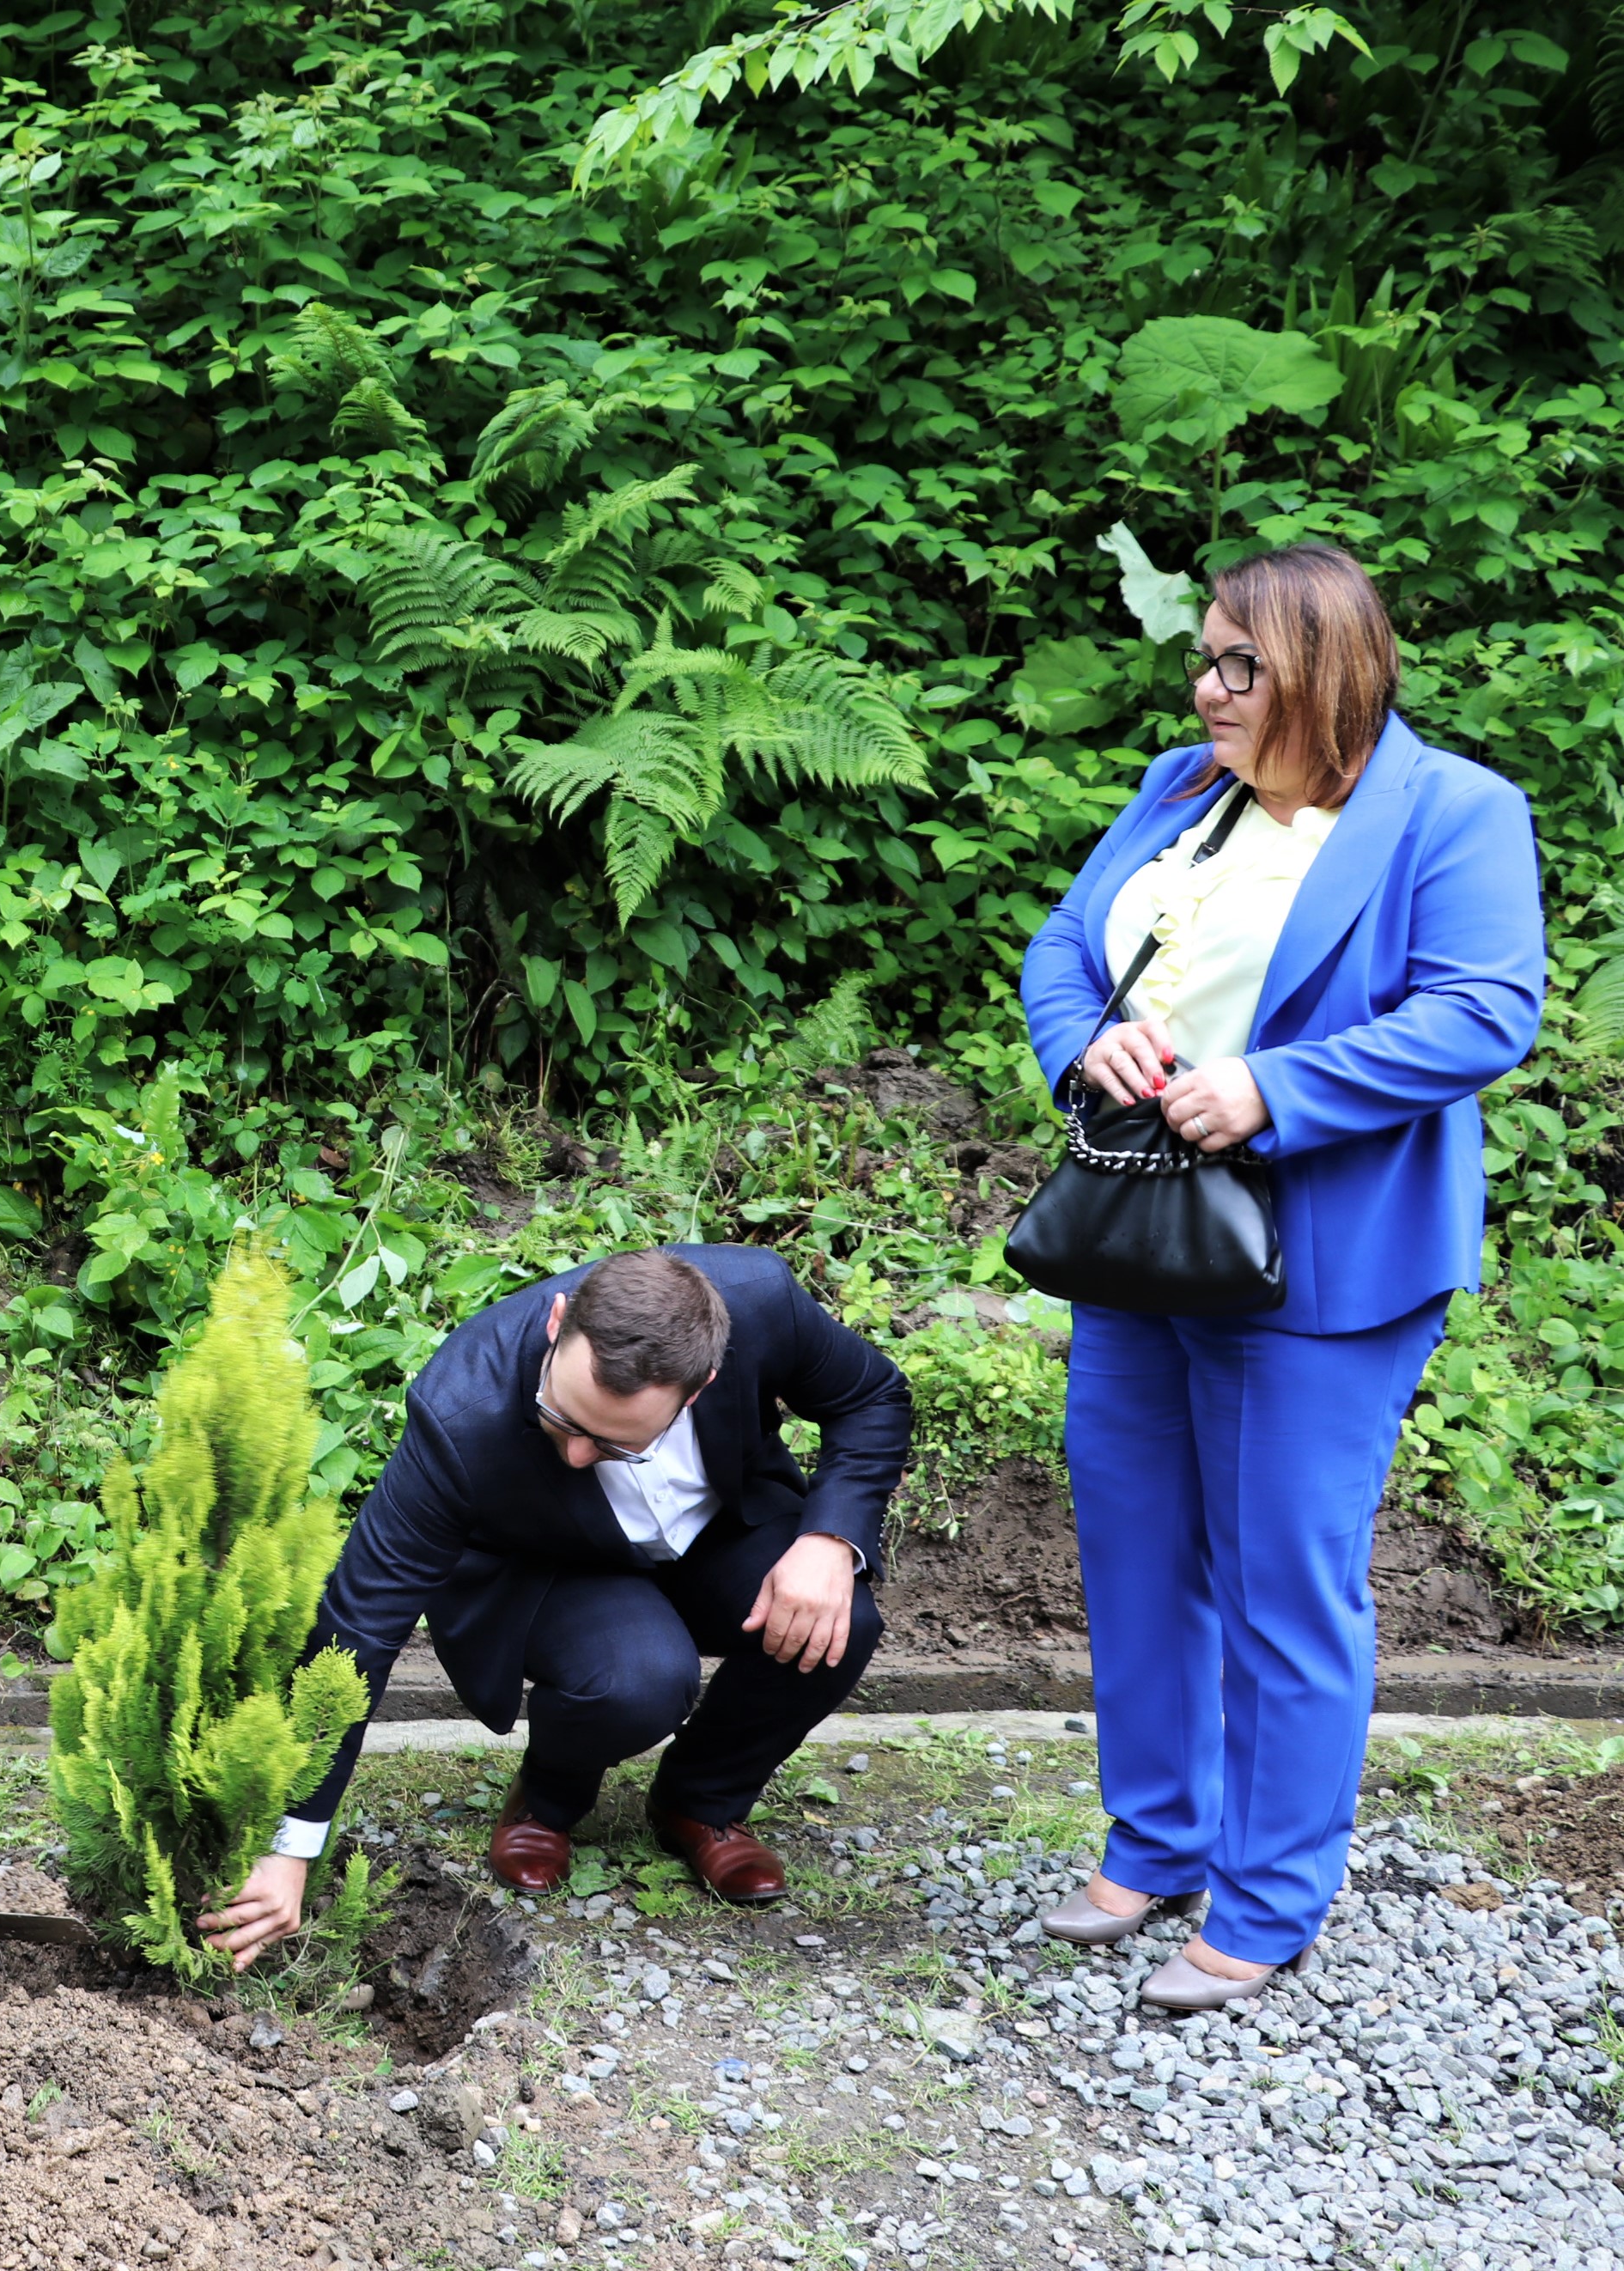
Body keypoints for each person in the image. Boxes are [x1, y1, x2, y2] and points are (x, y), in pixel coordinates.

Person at [1018, 543, 1544, 2011]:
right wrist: (1083, 1041)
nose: (1206, 686)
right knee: (1133, 1552)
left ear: (1326, 665)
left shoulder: (1452, 811)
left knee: (1283, 1587)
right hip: (1141, 1238)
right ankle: (1156, 1835)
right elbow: (1064, 946)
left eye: (1239, 663)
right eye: (1202, 656)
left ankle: (1265, 1897)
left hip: (1324, 1264)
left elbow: (1484, 1009)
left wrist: (1275, 1088)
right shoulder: (1179, 790)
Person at [198, 1245, 909, 1967]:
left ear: (698, 1388)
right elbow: (363, 1619)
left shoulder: (758, 1300)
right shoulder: (459, 1408)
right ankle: (547, 1799)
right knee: (636, 1680)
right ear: (560, 1323)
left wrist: (828, 1537)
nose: (572, 1454)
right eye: (559, 1417)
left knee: (841, 1620)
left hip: (716, 1533)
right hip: (549, 1565)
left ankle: (700, 1802)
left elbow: (873, 1396)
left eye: (612, 1443)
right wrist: (290, 1842)